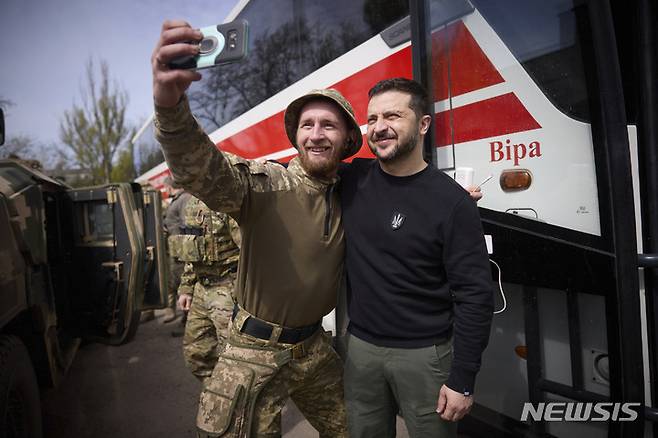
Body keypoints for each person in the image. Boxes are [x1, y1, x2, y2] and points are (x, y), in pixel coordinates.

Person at [151, 20, 361, 437]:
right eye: (307, 125)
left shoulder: (353, 193)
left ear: (348, 140)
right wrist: (170, 108)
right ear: (296, 137)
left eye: (329, 125)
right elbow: (205, 170)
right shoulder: (267, 184)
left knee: (357, 429)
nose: (316, 134)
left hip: (315, 349)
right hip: (254, 352)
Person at [340, 77, 494, 437]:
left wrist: (463, 379)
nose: (379, 128)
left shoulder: (453, 202)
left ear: (423, 124)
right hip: (360, 350)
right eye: (372, 119)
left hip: (426, 356)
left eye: (393, 115)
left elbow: (475, 294)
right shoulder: (352, 179)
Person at [173, 195, 241, 381]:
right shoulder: (191, 204)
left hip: (228, 288)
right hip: (202, 289)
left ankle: (237, 402)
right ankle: (218, 398)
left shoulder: (229, 202)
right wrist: (186, 288)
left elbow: (252, 253)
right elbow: (192, 253)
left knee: (235, 359)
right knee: (196, 353)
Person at [162, 177, 193, 323]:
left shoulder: (184, 199)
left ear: (169, 186)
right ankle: (185, 318)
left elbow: (187, 224)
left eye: (165, 187)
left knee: (183, 282)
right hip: (176, 249)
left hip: (182, 250)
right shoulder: (177, 199)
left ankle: (188, 319)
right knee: (176, 281)